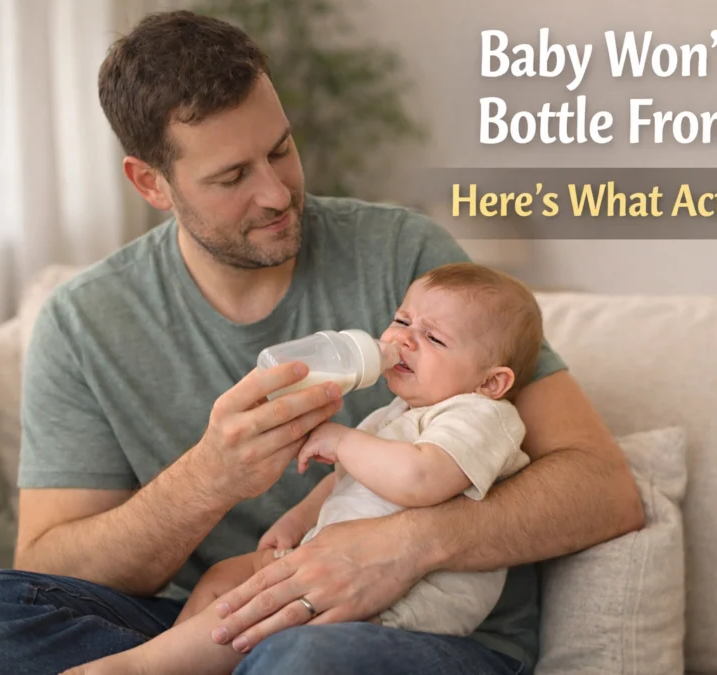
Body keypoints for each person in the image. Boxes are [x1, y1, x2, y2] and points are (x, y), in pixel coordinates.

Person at [0, 10, 643, 675]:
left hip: (415, 633)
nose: (277, 193)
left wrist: (403, 546)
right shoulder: (84, 320)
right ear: (151, 183)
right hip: (222, 615)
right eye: (232, 176)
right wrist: (208, 479)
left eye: (280, 150)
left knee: (303, 660)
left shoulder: (407, 258)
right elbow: (52, 568)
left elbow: (604, 489)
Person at [67, 262, 547, 675]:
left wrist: (342, 440)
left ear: (492, 382)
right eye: (402, 320)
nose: (403, 339)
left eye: (434, 337)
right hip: (326, 562)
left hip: (407, 598)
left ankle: (142, 667)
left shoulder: (482, 416)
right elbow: (345, 483)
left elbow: (422, 478)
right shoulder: (393, 415)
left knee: (265, 615)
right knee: (225, 576)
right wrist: (295, 521)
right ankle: (177, 657)